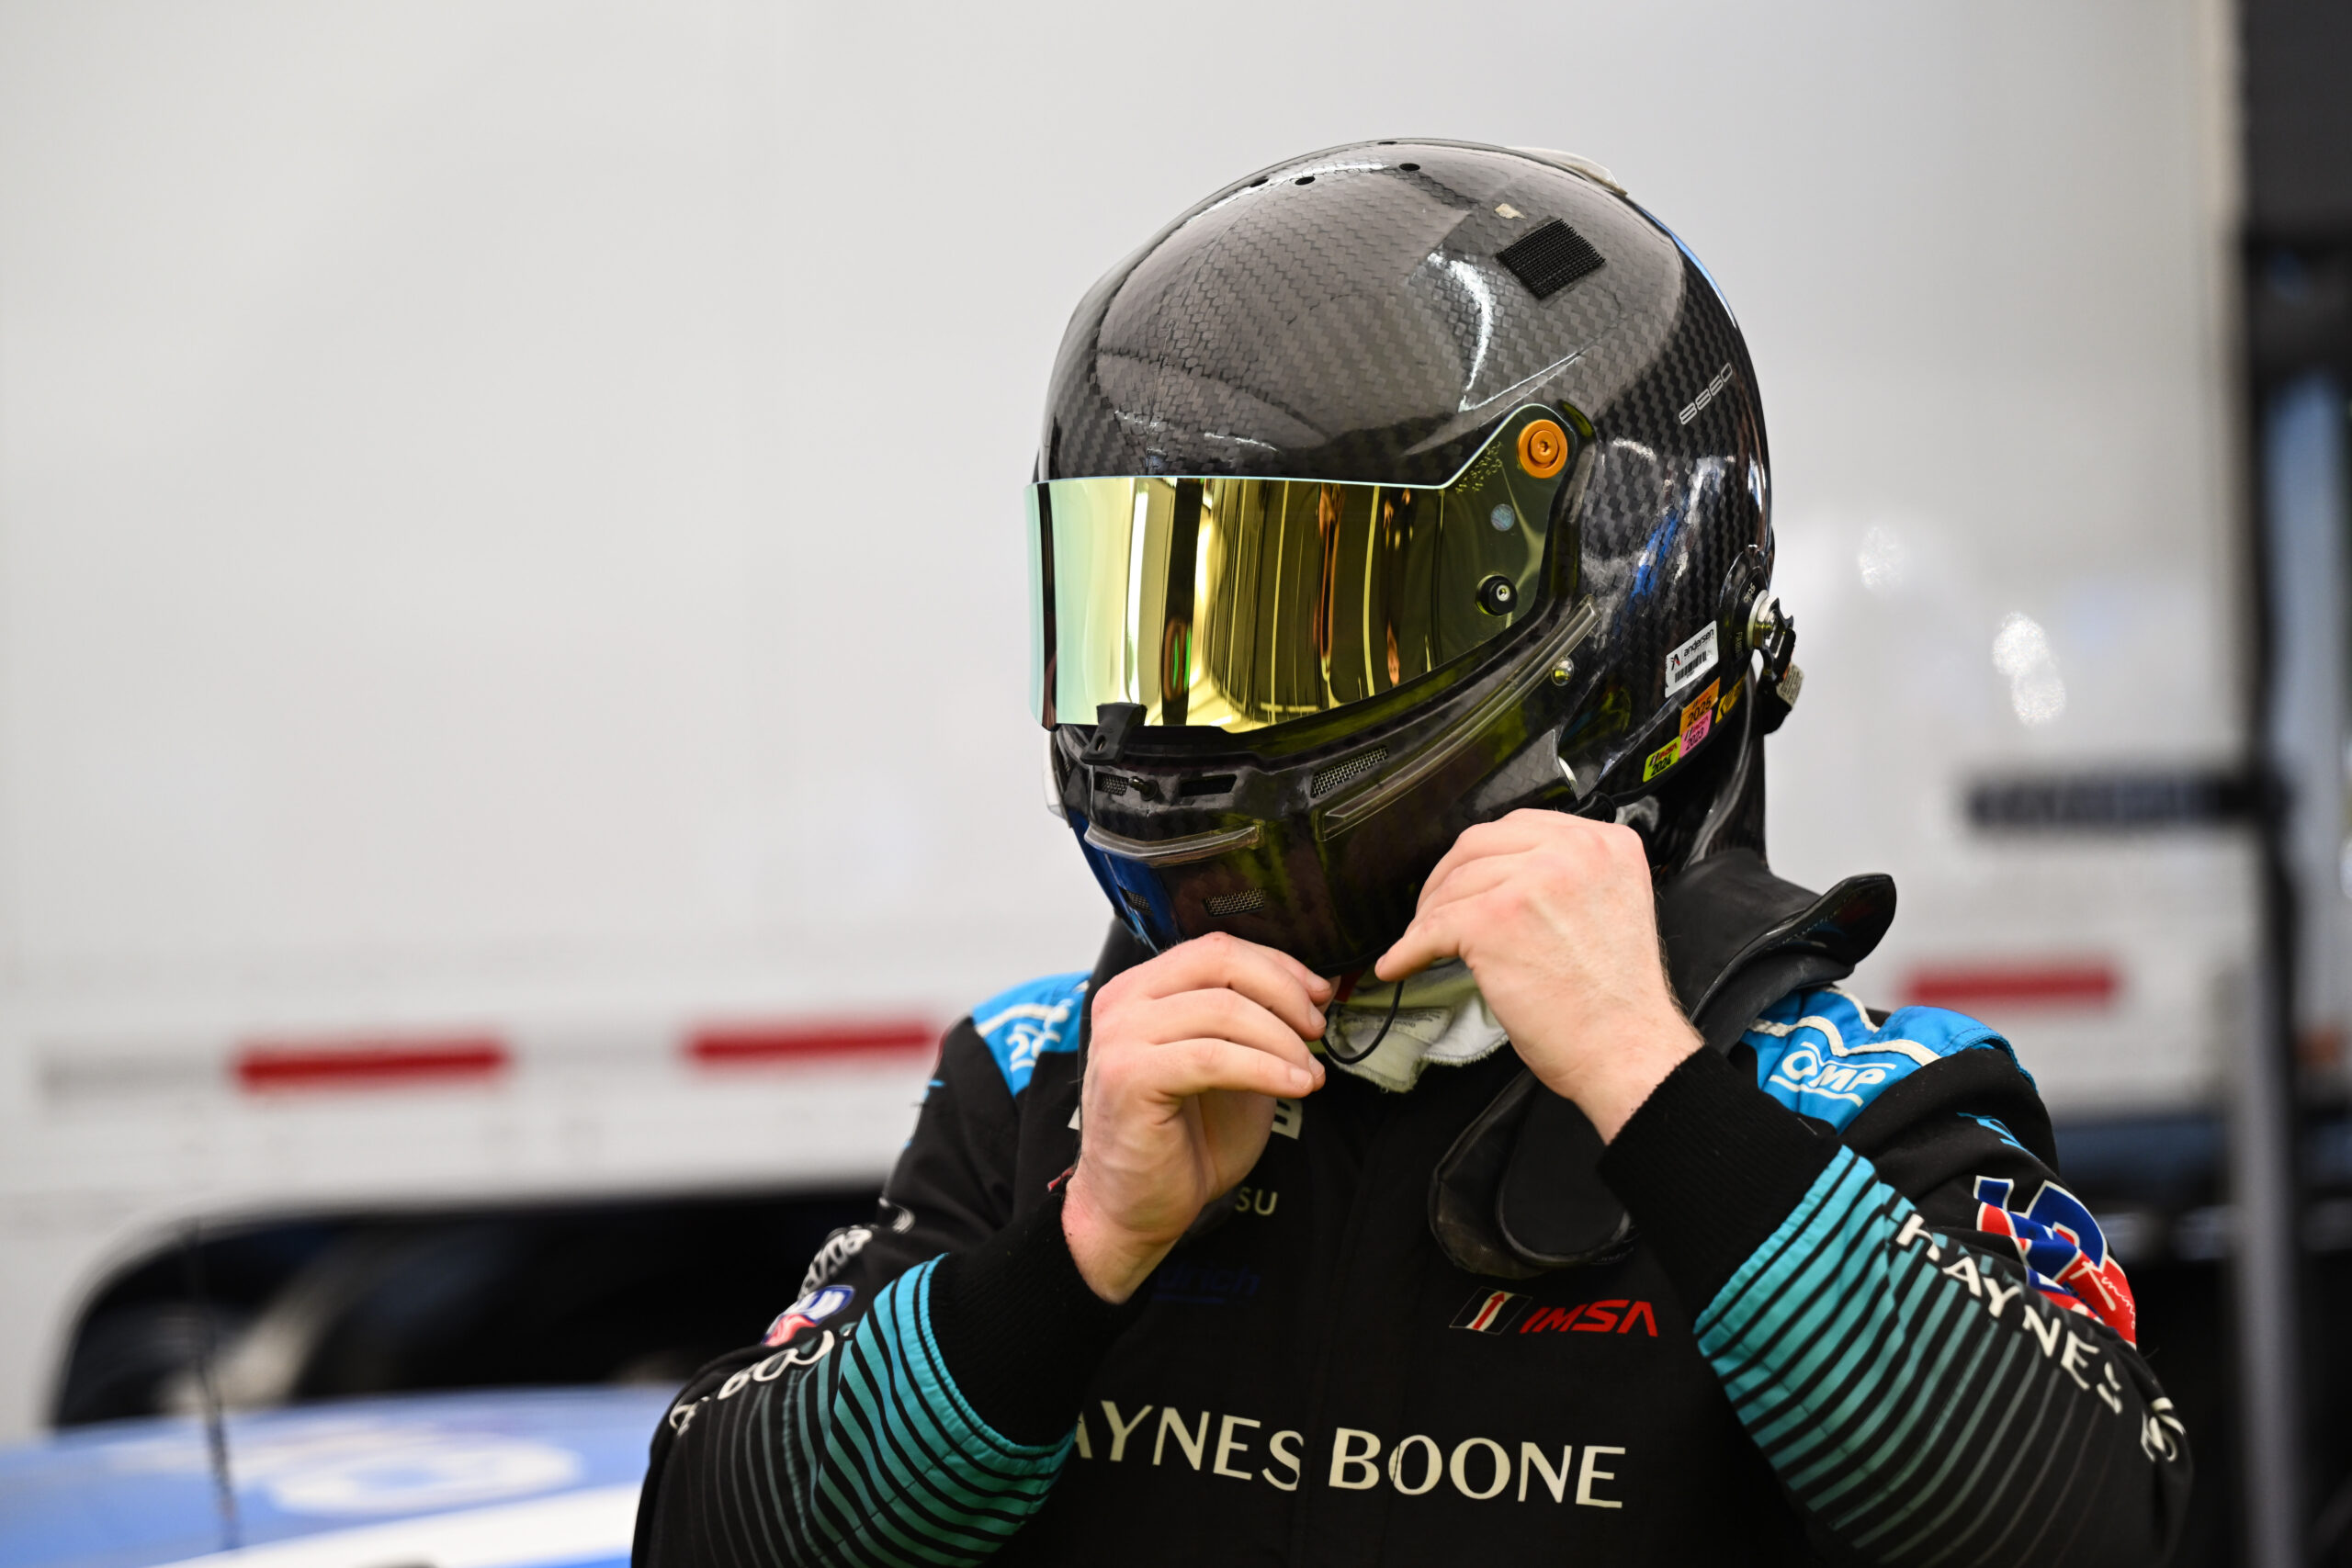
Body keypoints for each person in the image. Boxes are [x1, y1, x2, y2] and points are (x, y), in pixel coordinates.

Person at [632, 139, 2189, 1567]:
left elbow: (2095, 1533)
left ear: (1610, 601)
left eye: (1308, 619)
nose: (1195, 711)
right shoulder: (1048, 1078)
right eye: (1165, 619)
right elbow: (708, 1534)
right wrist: (1080, 1247)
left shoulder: (1859, 1106)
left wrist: (1654, 1092)